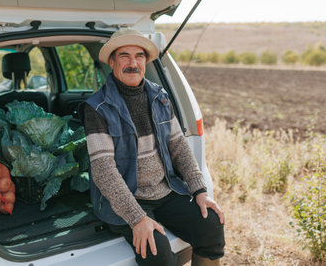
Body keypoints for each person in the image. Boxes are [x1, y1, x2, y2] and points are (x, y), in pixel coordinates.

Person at [81, 28, 225, 266]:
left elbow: (178, 145)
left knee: (211, 226)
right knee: (157, 253)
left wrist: (199, 190)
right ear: (112, 62)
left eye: (139, 56)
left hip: (166, 190)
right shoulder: (97, 107)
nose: (132, 63)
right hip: (128, 199)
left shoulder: (160, 96)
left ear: (146, 62)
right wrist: (137, 219)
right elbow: (103, 171)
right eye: (124, 56)